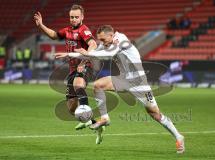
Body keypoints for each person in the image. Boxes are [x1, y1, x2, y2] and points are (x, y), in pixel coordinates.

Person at [55, 25, 185, 153]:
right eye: (100, 40)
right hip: (124, 79)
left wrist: (88, 53)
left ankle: (179, 137)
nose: (102, 43)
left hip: (139, 82)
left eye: (103, 40)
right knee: (98, 85)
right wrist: (69, 54)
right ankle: (105, 118)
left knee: (155, 114)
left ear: (111, 35)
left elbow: (109, 53)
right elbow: (93, 54)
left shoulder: (121, 40)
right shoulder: (107, 42)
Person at [34, 5, 98, 130]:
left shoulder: (84, 30)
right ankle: (93, 122)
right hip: (72, 70)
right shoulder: (67, 30)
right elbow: (54, 35)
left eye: (76, 17)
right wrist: (41, 25)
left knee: (78, 83)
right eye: (71, 17)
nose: (73, 19)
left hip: (85, 66)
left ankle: (86, 109)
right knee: (71, 108)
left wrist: (84, 61)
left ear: (82, 17)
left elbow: (93, 44)